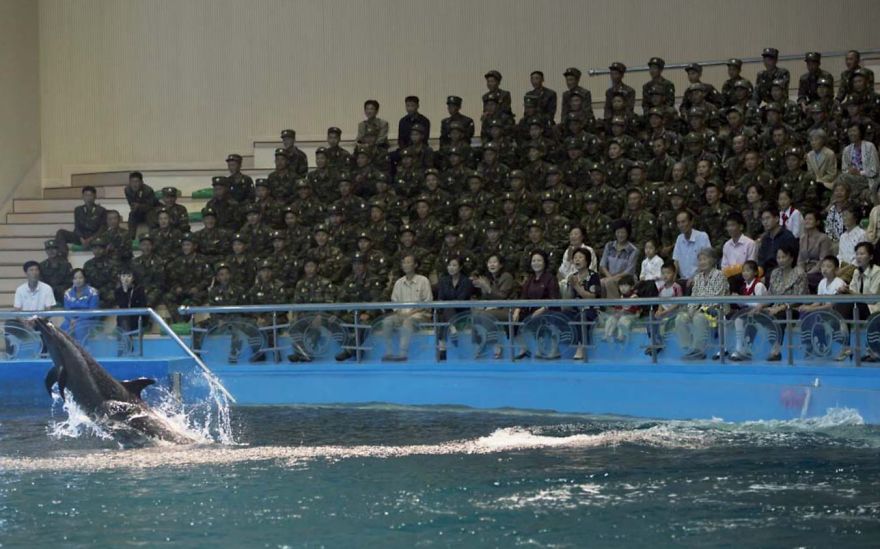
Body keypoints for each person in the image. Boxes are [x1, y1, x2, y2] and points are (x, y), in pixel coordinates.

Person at [752, 243, 808, 361]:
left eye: (784, 257)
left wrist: (780, 308)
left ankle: (776, 351)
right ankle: (746, 349)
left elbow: (799, 298)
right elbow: (770, 294)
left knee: (778, 316)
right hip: (775, 307)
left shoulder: (799, 273)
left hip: (793, 309)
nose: (781, 260)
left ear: (791, 257)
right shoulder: (775, 273)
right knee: (752, 315)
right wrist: (760, 305)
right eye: (778, 257)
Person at [675, 248, 729, 360]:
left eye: (705, 259)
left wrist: (700, 310)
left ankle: (699, 351)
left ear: (713, 260)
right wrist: (691, 309)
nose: (701, 262)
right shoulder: (698, 277)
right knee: (681, 318)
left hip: (717, 309)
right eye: (699, 260)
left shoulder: (719, 275)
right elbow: (694, 296)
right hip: (700, 309)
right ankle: (690, 348)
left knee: (699, 317)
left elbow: (717, 296)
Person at [381, 254, 433, 361]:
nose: (405, 265)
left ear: (416, 265)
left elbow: (427, 303)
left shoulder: (423, 280)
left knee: (407, 322)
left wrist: (410, 314)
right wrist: (401, 314)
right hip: (401, 314)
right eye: (404, 262)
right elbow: (395, 303)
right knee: (387, 321)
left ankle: (402, 354)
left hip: (420, 315)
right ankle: (389, 352)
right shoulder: (398, 283)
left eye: (408, 262)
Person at [512, 250, 561, 360]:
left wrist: (542, 309)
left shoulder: (551, 278)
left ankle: (554, 349)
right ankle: (524, 348)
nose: (536, 263)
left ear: (544, 263)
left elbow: (554, 298)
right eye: (534, 260)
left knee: (540, 318)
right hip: (533, 311)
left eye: (539, 260)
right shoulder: (530, 280)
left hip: (550, 309)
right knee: (514, 319)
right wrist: (517, 310)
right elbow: (523, 297)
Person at [797, 256, 848, 359]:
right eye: (823, 266)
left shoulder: (839, 283)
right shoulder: (822, 282)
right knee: (804, 313)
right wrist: (807, 306)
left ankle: (822, 344)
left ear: (836, 269)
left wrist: (811, 309)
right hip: (823, 313)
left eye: (828, 266)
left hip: (835, 314)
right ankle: (810, 344)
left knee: (813, 315)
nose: (825, 269)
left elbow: (830, 305)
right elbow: (819, 301)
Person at [839, 242, 880, 361]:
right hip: (859, 307)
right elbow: (853, 290)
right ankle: (846, 346)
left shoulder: (877, 272)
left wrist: (850, 293)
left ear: (871, 257)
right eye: (857, 254)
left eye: (862, 254)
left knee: (847, 306)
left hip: (874, 308)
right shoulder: (856, 272)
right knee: (841, 304)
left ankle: (872, 352)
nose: (858, 257)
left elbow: (871, 298)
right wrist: (845, 290)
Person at [471, 254, 516, 359]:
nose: (492, 264)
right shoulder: (489, 278)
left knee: (485, 315)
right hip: (493, 309)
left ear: (500, 265)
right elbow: (486, 298)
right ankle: (478, 343)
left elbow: (502, 297)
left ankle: (495, 344)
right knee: (475, 314)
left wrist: (487, 288)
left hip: (507, 309)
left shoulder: (507, 277)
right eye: (489, 262)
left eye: (495, 262)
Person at [728, 260, 769, 361]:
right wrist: (737, 299)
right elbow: (745, 304)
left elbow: (759, 303)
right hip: (749, 312)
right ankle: (737, 348)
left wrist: (742, 299)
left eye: (748, 270)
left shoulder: (758, 285)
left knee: (740, 320)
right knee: (732, 317)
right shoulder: (745, 286)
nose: (745, 273)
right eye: (743, 271)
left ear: (755, 272)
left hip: (762, 312)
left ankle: (741, 349)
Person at [436, 256, 474, 360]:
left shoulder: (466, 282)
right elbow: (440, 298)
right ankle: (452, 328)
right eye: (449, 265)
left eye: (454, 265)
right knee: (445, 311)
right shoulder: (443, 281)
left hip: (461, 311)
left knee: (445, 314)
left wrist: (447, 303)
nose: (451, 268)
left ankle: (442, 349)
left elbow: (461, 299)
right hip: (447, 311)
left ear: (460, 267)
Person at [566, 248, 600, 360]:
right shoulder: (573, 277)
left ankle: (581, 346)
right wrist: (571, 286)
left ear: (587, 261)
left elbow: (592, 297)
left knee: (581, 316)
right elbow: (569, 298)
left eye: (580, 257)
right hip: (576, 308)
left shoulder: (594, 276)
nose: (577, 260)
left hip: (591, 309)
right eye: (575, 258)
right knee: (562, 315)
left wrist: (577, 287)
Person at [54, 186, 107, 257]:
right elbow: (77, 226)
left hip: (94, 237)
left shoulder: (101, 210)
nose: (88, 198)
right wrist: (81, 238)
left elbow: (102, 228)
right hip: (80, 237)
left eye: (90, 195)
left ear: (95, 196)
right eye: (86, 195)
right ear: (83, 197)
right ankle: (63, 256)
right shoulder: (78, 210)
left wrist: (90, 239)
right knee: (61, 233)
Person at [839, 124, 879, 205]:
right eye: (850, 131)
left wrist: (859, 172)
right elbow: (844, 169)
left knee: (842, 178)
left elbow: (875, 170)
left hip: (868, 179)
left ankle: (835, 204)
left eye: (854, 131)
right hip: (852, 179)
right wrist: (850, 171)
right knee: (842, 177)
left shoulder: (870, 146)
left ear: (860, 132)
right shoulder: (847, 150)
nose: (851, 133)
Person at [648, 261, 682, 355]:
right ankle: (654, 343)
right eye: (663, 273)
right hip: (664, 313)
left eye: (668, 273)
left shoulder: (677, 287)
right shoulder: (661, 288)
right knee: (651, 321)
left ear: (674, 274)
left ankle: (659, 345)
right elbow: (660, 302)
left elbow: (678, 303)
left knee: (662, 325)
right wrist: (659, 311)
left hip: (674, 314)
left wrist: (666, 312)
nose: (665, 275)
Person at [599, 220, 639, 298]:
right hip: (610, 276)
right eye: (618, 232)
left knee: (609, 282)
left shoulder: (633, 250)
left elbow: (629, 271)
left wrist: (612, 279)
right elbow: (602, 265)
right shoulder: (609, 246)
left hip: (626, 279)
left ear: (628, 233)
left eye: (623, 232)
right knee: (600, 282)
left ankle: (614, 307)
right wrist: (610, 277)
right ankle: (602, 307)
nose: (620, 235)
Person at [756, 206, 797, 280]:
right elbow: (761, 260)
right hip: (765, 273)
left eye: (768, 218)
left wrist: (767, 277)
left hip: (782, 273)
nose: (765, 222)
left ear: (777, 219)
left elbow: (790, 260)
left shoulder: (787, 236)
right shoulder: (765, 239)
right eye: (763, 219)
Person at [672, 210, 711, 283]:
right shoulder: (679, 238)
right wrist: (673, 280)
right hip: (683, 280)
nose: (681, 225)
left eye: (683, 222)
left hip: (701, 278)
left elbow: (708, 261)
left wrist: (695, 277)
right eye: (678, 223)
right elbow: (676, 261)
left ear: (691, 222)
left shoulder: (702, 236)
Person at [61, 268, 100, 342]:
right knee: (64, 327)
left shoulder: (93, 292)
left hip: (88, 320)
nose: (78, 280)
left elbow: (92, 311)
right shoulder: (67, 293)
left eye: (80, 278)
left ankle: (82, 352)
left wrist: (78, 320)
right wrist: (72, 319)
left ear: (85, 278)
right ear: (72, 280)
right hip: (71, 320)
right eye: (75, 278)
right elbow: (67, 311)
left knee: (79, 327)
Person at [798, 211, 834, 289]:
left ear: (817, 222)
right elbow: (800, 260)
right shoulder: (802, 238)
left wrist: (807, 274)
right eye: (806, 219)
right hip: (805, 271)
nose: (807, 221)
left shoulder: (823, 238)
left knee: (805, 280)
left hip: (819, 272)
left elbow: (823, 261)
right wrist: (801, 272)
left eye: (810, 219)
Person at [601, 273, 639, 343]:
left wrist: (621, 313)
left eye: (625, 286)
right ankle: (607, 335)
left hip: (631, 316)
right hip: (623, 314)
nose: (623, 288)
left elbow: (633, 310)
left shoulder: (634, 297)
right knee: (611, 319)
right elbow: (618, 307)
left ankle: (621, 336)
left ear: (632, 287)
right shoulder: (621, 297)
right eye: (621, 286)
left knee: (623, 320)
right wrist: (616, 313)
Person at [124, 171, 158, 239]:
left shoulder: (148, 190)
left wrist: (139, 206)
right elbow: (131, 203)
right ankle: (131, 238)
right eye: (132, 182)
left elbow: (151, 205)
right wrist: (136, 207)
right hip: (138, 211)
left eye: (137, 181)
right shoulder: (127, 190)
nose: (134, 184)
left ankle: (154, 236)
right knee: (132, 215)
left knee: (150, 215)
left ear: (141, 182)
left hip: (149, 210)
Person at [721, 213, 756, 277]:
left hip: (745, 278)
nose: (730, 228)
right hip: (729, 279)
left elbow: (751, 266)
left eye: (732, 225)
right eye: (728, 226)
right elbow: (724, 267)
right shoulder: (726, 245)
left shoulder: (750, 243)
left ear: (741, 227)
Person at [114, 268, 147, 333]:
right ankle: (125, 339)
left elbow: (143, 306)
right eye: (123, 276)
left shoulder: (139, 290)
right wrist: (125, 291)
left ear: (133, 278)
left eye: (129, 276)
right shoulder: (118, 291)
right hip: (124, 320)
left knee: (125, 319)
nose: (126, 279)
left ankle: (126, 339)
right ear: (120, 278)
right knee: (123, 317)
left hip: (137, 318)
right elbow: (123, 305)